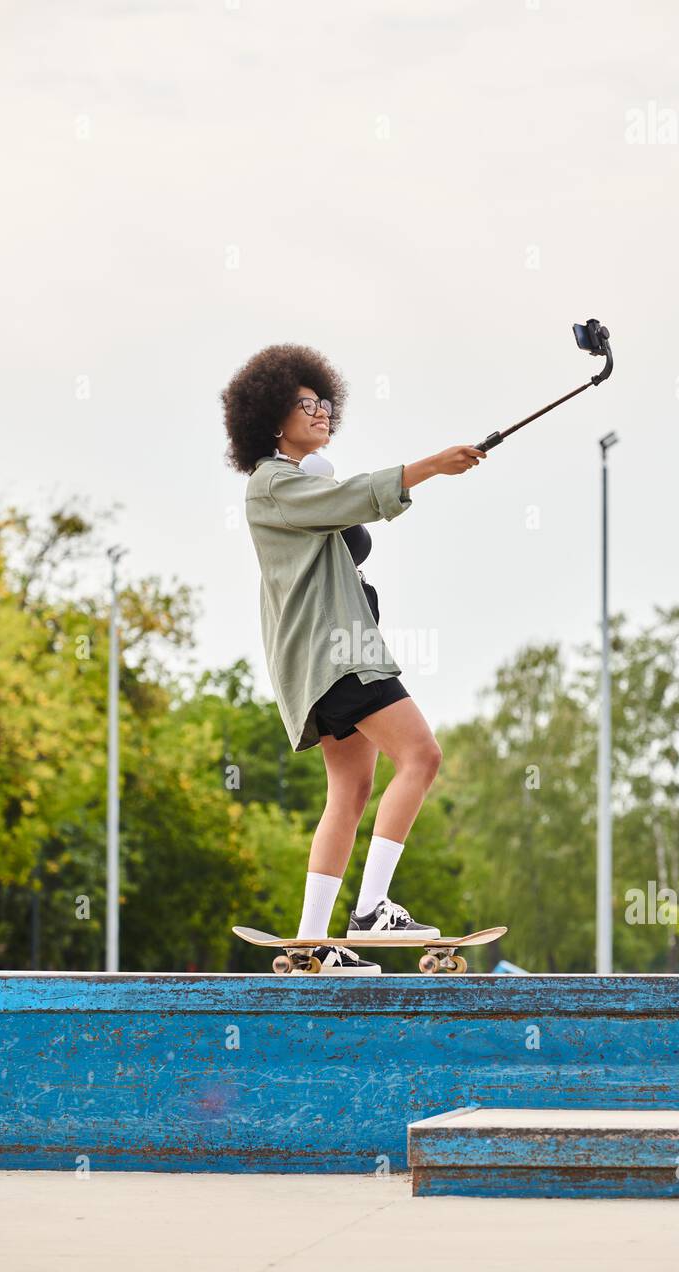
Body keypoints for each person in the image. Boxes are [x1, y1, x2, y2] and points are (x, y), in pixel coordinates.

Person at [222, 344, 485, 974]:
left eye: (324, 403)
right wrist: (431, 467)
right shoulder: (271, 486)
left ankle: (313, 943)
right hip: (338, 653)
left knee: (351, 789)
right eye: (304, 404)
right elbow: (355, 501)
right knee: (422, 756)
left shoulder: (303, 482)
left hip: (331, 655)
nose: (320, 413)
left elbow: (346, 508)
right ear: (270, 418)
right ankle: (371, 909)